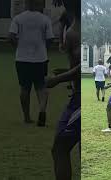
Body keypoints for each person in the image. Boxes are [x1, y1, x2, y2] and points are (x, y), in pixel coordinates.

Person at [47, 0, 80, 179]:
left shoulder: (79, 30)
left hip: (84, 100)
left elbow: (87, 67)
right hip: (78, 97)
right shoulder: (77, 26)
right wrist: (67, 72)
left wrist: (59, 79)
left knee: (60, 148)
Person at [9, 0, 53, 126]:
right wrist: (44, 50)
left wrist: (18, 47)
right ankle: (42, 110)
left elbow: (10, 36)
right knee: (41, 87)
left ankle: (27, 117)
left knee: (24, 88)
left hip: (22, 59)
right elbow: (50, 39)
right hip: (40, 59)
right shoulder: (45, 19)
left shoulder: (18, 18)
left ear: (26, 4)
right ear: (39, 5)